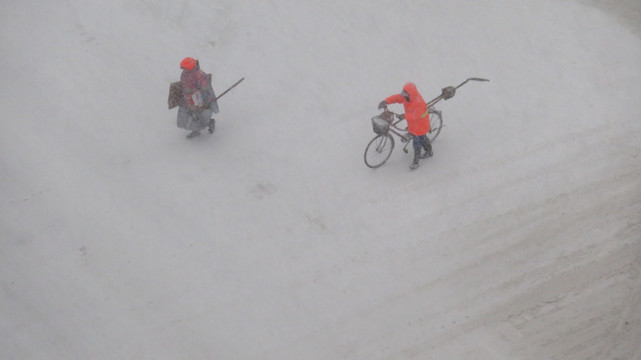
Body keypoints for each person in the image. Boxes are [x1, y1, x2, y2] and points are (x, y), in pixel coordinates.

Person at [378, 82, 433, 169]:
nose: (403, 93)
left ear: (410, 93)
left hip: (420, 125)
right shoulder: (407, 97)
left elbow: (416, 115)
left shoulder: (418, 102)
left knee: (418, 142)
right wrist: (386, 101)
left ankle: (418, 160)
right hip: (413, 124)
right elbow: (397, 98)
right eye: (403, 91)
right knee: (423, 138)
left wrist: (404, 116)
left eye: (405, 92)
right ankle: (428, 149)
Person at [176, 57, 219, 138]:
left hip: (199, 100)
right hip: (188, 100)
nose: (183, 70)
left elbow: (205, 89)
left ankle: (210, 122)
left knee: (199, 116)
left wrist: (202, 100)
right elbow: (184, 86)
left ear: (190, 68)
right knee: (190, 116)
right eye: (183, 68)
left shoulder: (200, 75)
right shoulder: (184, 74)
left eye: (185, 68)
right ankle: (195, 130)